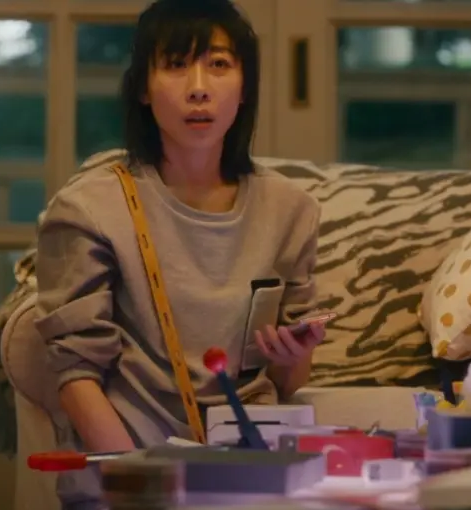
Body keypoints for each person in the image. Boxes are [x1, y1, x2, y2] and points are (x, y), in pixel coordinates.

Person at [34, 0, 324, 506]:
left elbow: (286, 381)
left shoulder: (291, 209)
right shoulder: (91, 207)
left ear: (245, 86)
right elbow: (76, 375)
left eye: (219, 64)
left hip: (250, 472)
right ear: (143, 89)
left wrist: (293, 356)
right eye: (175, 64)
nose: (198, 87)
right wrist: (139, 482)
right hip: (133, 470)